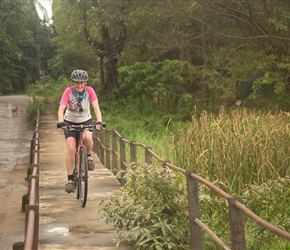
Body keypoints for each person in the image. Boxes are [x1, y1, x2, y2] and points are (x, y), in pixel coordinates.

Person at [57, 69, 103, 193]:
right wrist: (61, 122)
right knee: (71, 148)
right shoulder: (68, 92)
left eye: (82, 83)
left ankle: (88, 156)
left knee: (88, 137)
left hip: (85, 120)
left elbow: (96, 108)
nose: (80, 85)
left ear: (85, 83)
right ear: (73, 83)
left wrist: (98, 121)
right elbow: (61, 109)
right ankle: (70, 179)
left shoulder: (90, 91)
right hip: (70, 122)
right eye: (77, 83)